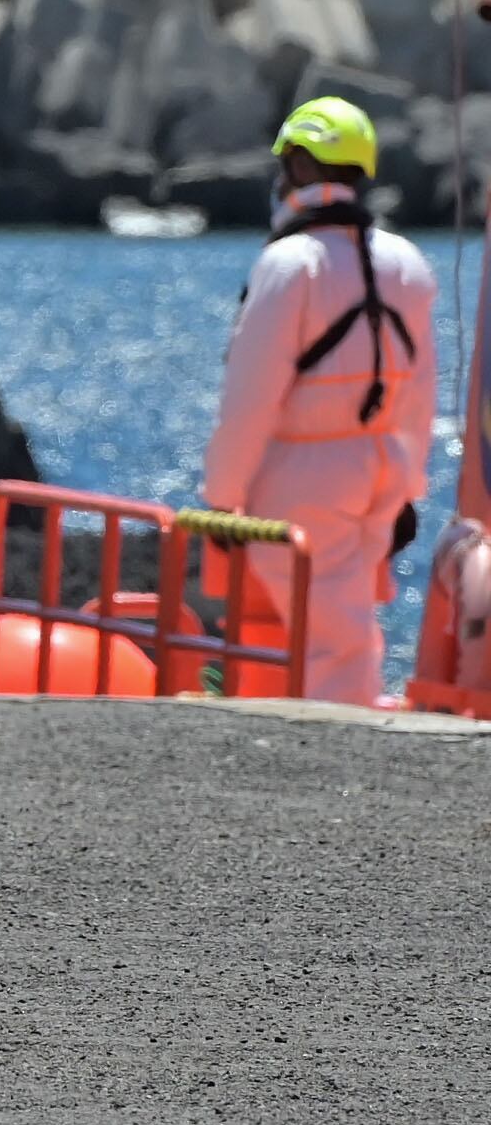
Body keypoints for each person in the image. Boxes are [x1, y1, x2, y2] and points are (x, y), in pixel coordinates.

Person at [201, 97, 435, 706]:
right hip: (381, 467)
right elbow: (419, 395)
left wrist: (223, 498)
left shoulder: (289, 264)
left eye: (287, 164)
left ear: (301, 168)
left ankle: (341, 760)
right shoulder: (407, 261)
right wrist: (410, 486)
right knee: (348, 619)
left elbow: (249, 399)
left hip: (303, 476)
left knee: (334, 638)